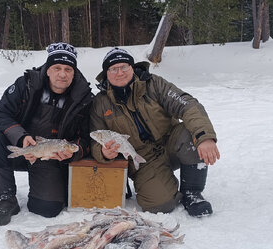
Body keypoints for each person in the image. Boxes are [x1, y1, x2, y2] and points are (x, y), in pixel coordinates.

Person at [90, 47, 220, 217]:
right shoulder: (100, 103)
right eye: (113, 69)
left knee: (192, 133)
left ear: (132, 68)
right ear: (106, 73)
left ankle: (192, 192)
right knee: (159, 204)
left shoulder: (154, 84)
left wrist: (204, 137)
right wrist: (103, 153)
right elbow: (94, 138)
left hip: (172, 143)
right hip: (144, 159)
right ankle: (164, 182)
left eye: (124, 67)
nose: (119, 72)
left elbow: (187, 104)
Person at [0, 42, 94, 226]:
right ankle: (4, 200)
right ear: (48, 69)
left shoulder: (84, 97)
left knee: (47, 209)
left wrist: (73, 152)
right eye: (57, 68)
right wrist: (21, 137)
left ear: (74, 73)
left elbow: (86, 137)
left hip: (51, 157)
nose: (62, 74)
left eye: (68, 69)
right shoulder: (26, 84)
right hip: (19, 148)